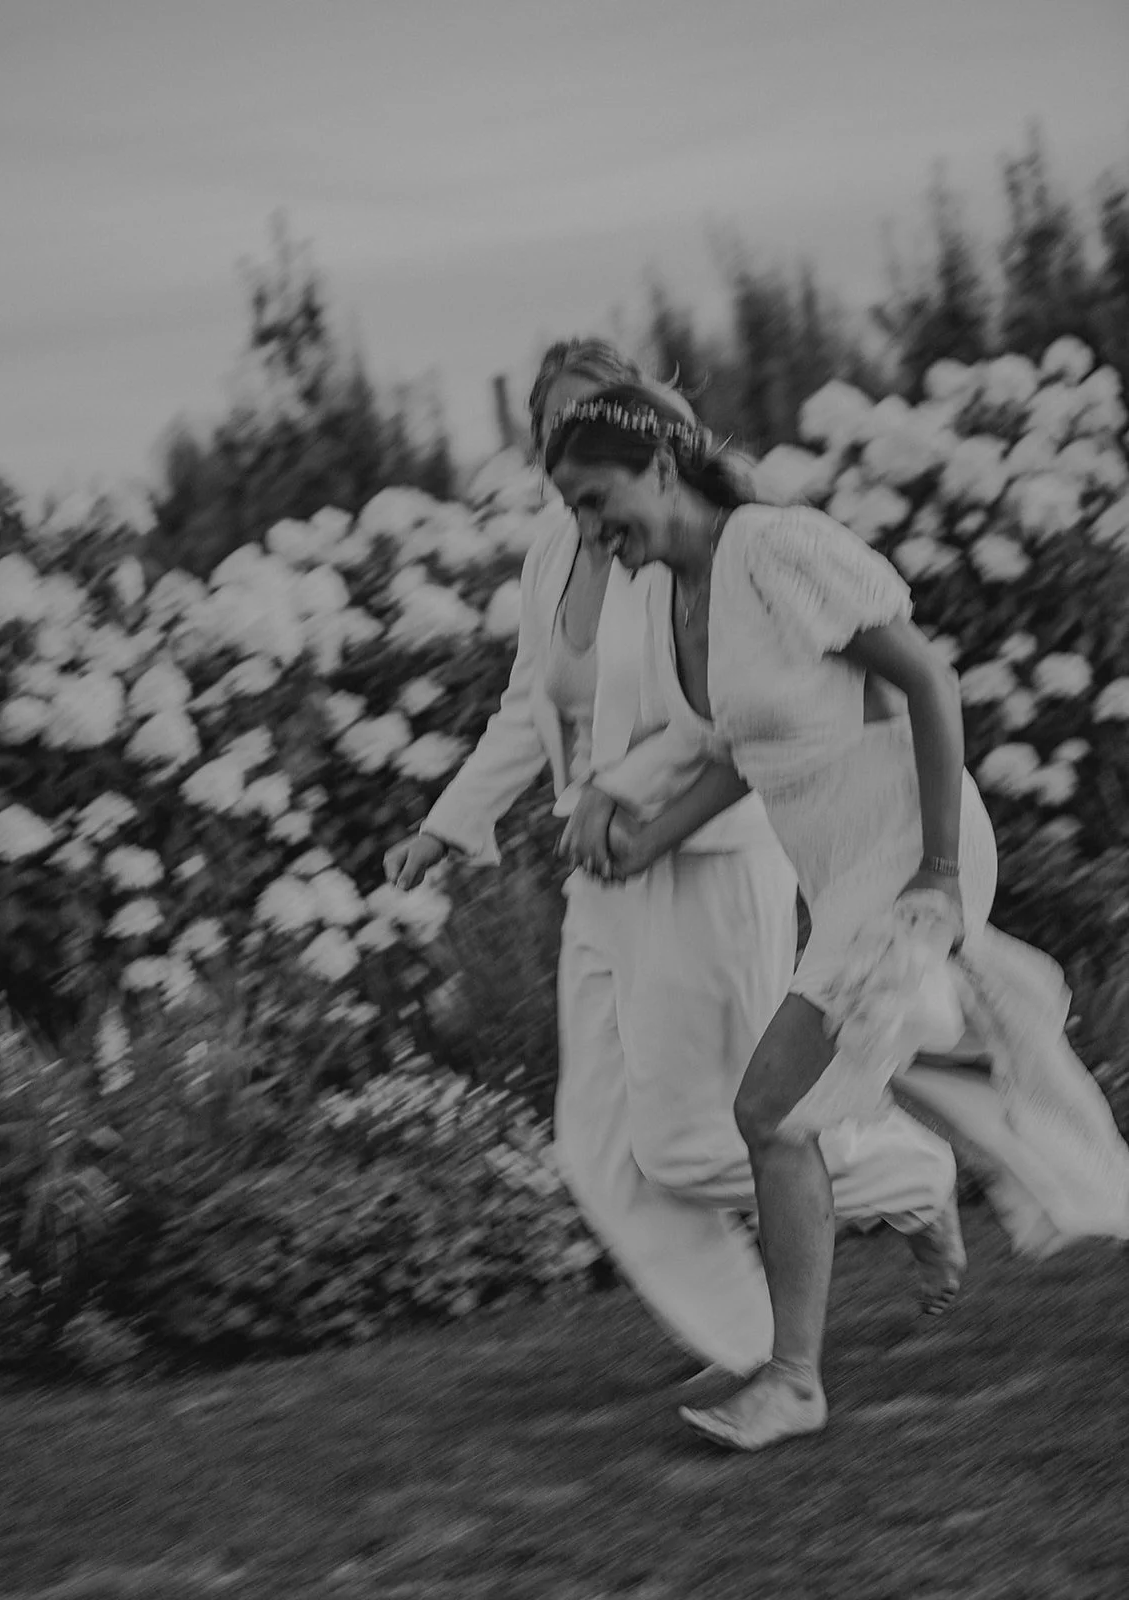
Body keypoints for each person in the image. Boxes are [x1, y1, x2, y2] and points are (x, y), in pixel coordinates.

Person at [544, 379, 1129, 1449]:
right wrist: (650, 838)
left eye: (596, 500)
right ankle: (997, 1070)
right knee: (909, 1061)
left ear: (661, 467)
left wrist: (939, 874)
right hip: (842, 869)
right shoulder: (677, 593)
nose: (589, 530)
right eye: (573, 511)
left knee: (772, 1107)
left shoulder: (774, 546)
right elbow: (740, 752)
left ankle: (794, 1380)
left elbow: (929, 682)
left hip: (905, 850)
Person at [385, 340, 970, 1385]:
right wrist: (446, 824)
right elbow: (528, 707)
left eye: (590, 419)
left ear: (644, 429)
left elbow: (721, 715)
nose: (568, 446)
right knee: (599, 1143)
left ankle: (901, 1181)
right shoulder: (557, 552)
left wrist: (626, 793)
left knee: (724, 1130)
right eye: (552, 429)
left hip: (710, 857)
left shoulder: (696, 542)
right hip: (605, 869)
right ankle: (745, 1341)